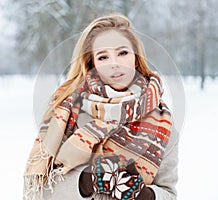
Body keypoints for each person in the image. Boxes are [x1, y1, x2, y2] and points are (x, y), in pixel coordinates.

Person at [24, 14, 179, 200]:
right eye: (103, 57)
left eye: (122, 53)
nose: (114, 64)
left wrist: (144, 195)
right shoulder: (66, 111)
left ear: (136, 58)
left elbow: (169, 194)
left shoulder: (163, 125)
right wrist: (86, 182)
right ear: (92, 64)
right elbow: (36, 191)